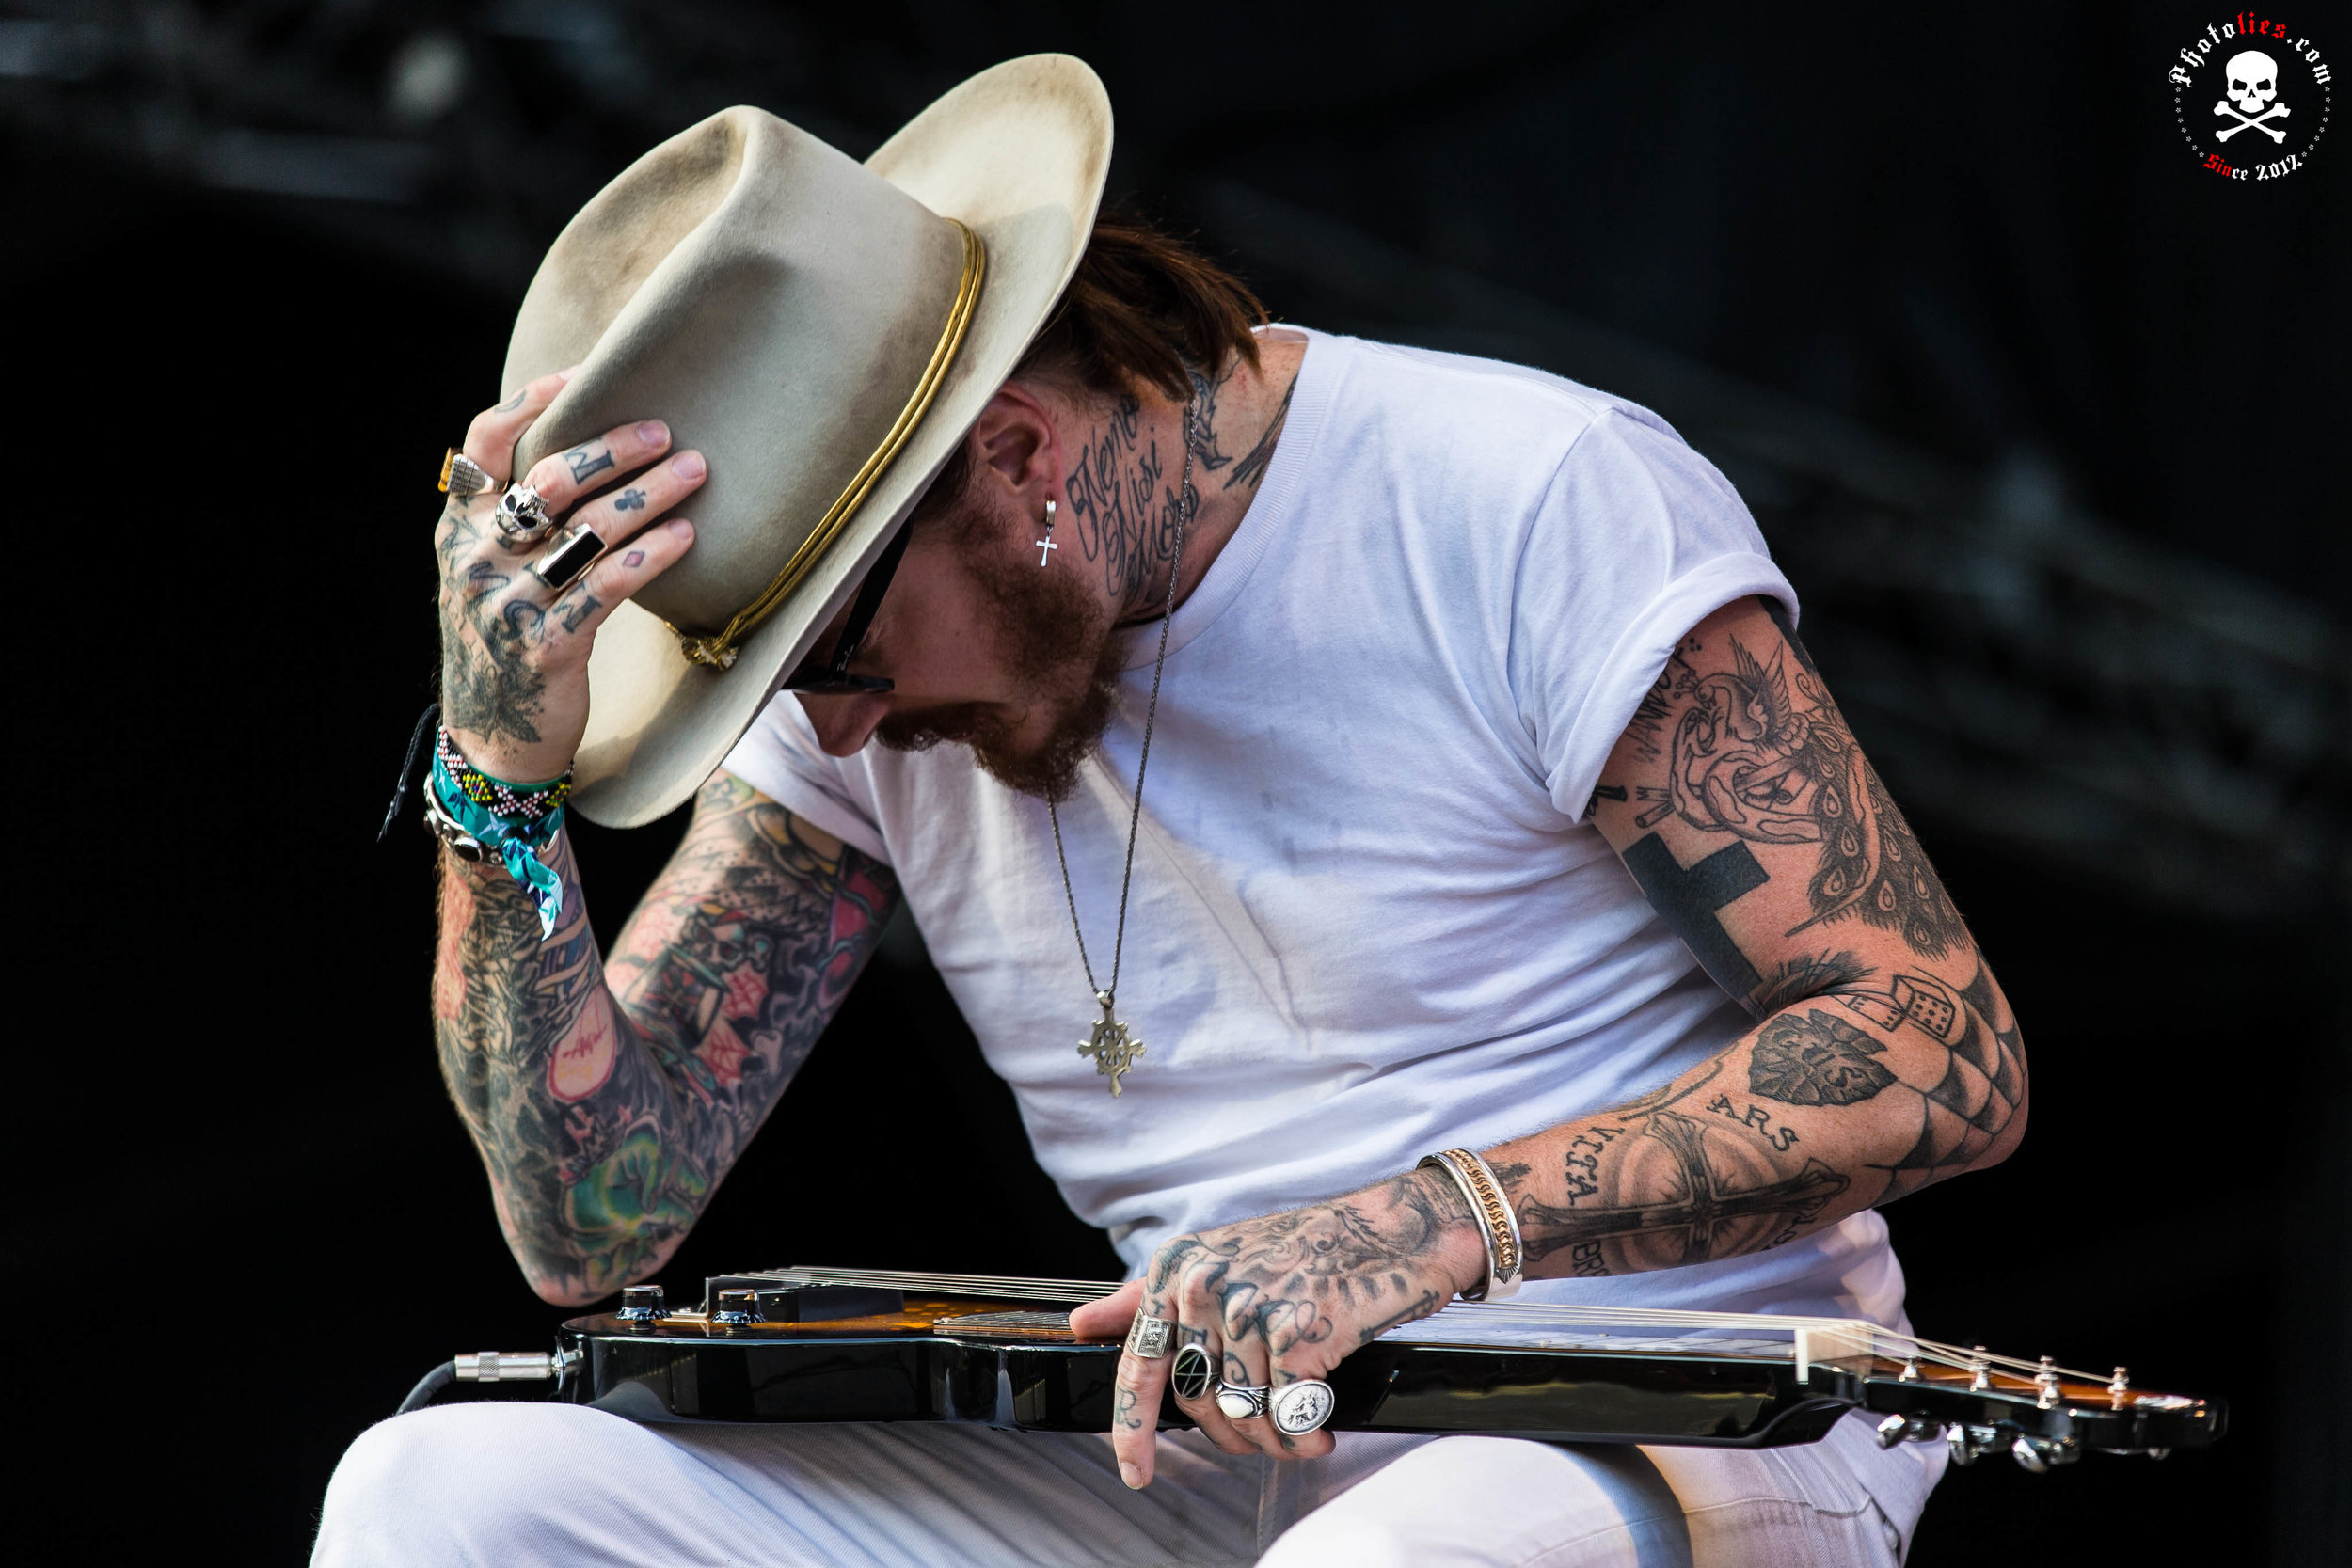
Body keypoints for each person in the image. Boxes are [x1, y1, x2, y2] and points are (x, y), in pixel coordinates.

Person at [315, 59, 2021, 1568]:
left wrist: (1419, 1226)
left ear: (1017, 459)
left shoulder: (1521, 496)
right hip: (1208, 1447)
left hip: (1675, 1406)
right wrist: (497, 779)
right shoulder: (864, 701)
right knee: (443, 1498)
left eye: (831, 650)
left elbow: (1936, 1043)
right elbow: (592, 1220)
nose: (837, 726)